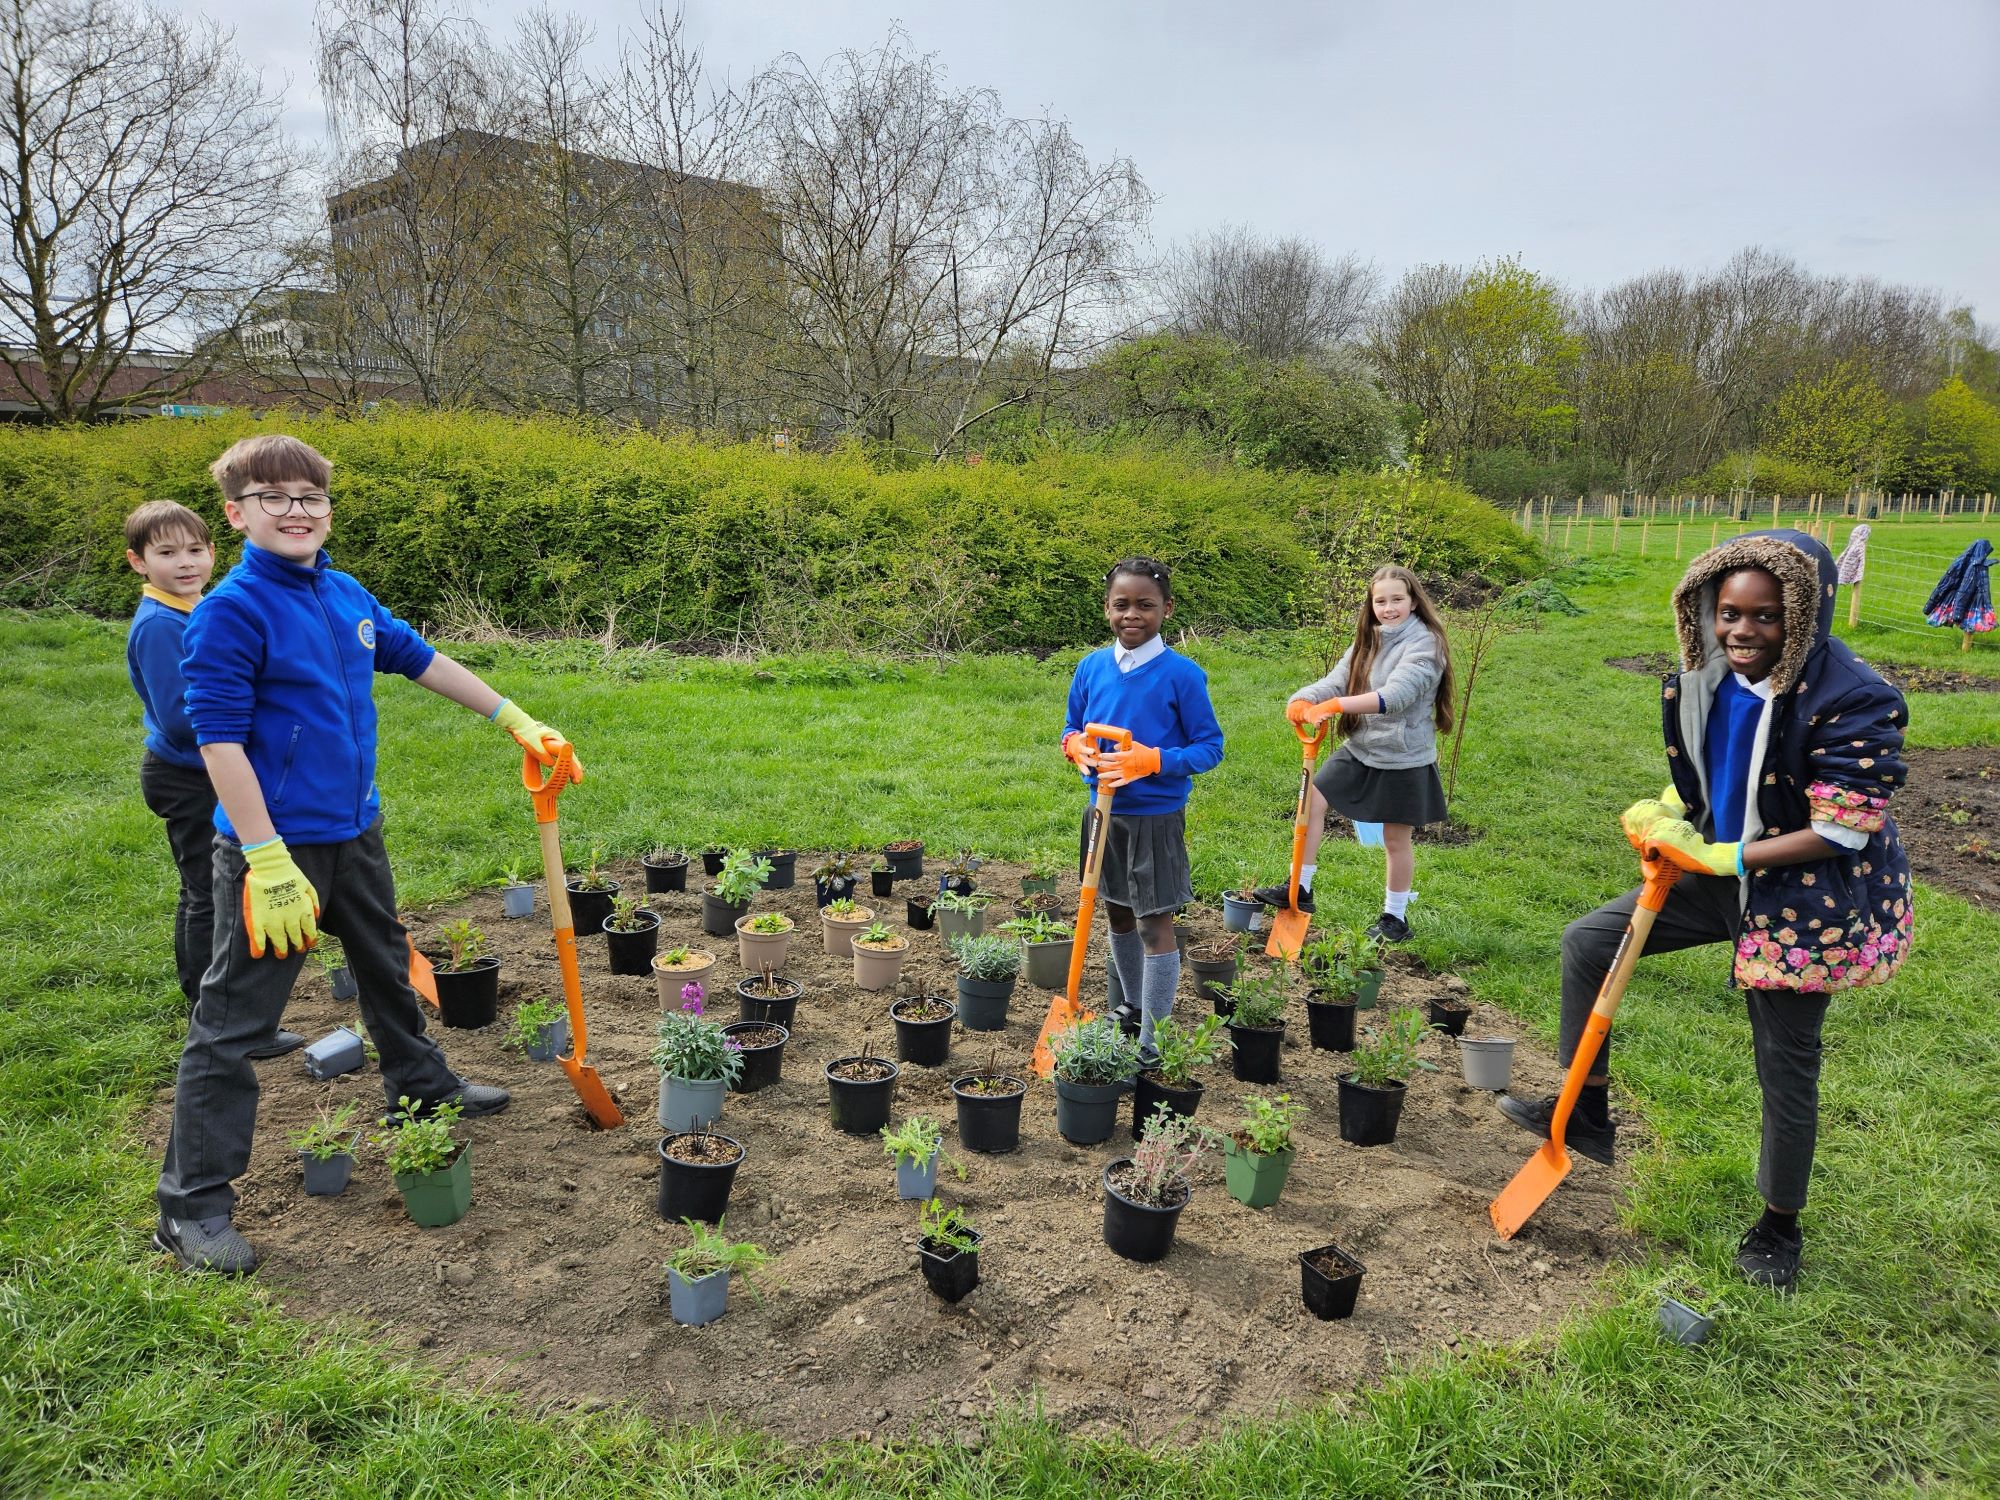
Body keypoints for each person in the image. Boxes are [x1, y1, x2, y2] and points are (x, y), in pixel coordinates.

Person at [155, 434, 573, 1275]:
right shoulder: (230, 611)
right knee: (233, 1023)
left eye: (310, 496)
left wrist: (513, 717)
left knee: (386, 962)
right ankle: (191, 1206)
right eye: (274, 497)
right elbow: (219, 744)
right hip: (277, 852)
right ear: (236, 513)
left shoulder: (342, 591)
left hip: (354, 830)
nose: (296, 510)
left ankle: (421, 1087)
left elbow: (418, 657)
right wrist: (266, 859)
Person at [1498, 528, 1912, 1292]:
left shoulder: (1852, 697)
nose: (1743, 632)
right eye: (1729, 613)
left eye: (1766, 616)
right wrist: (1666, 817)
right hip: (1716, 875)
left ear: (1804, 613)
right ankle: (1585, 1112)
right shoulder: (1703, 678)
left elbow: (1841, 828)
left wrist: (1724, 856)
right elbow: (1703, 776)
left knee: (1784, 1066)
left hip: (1800, 902)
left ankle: (1779, 1226)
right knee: (1590, 944)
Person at [125, 501, 307, 1059]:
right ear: (138, 562)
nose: (186, 563)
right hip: (188, 777)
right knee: (208, 892)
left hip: (201, 773)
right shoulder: (160, 625)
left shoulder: (197, 606)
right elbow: (186, 721)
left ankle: (217, 1001)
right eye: (167, 553)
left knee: (207, 888)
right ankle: (215, 1009)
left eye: (196, 550)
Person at [1061, 558, 1224, 1066]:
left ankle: (1153, 1040)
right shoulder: (1090, 668)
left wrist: (1151, 760)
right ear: (1107, 608)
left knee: (1155, 925)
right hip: (1102, 815)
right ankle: (1131, 1006)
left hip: (1154, 817)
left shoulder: (1181, 675)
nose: (1133, 614)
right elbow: (1071, 725)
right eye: (1121, 604)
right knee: (1117, 911)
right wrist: (1074, 748)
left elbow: (1209, 748)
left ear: (1166, 610)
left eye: (1145, 605)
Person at [1251, 564, 1454, 942]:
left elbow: (1395, 697)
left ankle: (1395, 919)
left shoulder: (1426, 644)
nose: (1389, 608)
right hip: (1361, 748)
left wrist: (1336, 707)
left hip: (1402, 756)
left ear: (1413, 602)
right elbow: (1337, 679)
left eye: (1397, 599)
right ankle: (1301, 888)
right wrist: (1306, 697)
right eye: (1381, 601)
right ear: (1371, 604)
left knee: (1395, 839)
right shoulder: (1369, 639)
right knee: (1310, 802)